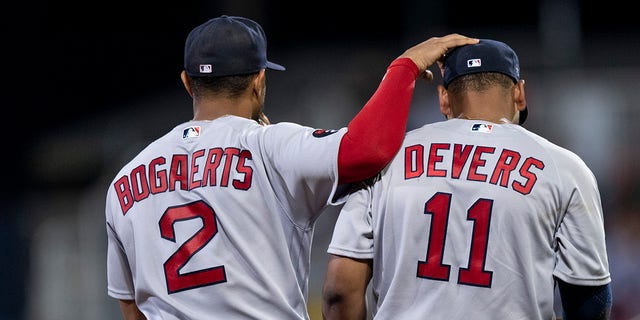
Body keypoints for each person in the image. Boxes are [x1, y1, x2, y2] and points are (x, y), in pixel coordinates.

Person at [104, 14, 478, 319]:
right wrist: (405, 66)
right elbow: (366, 149)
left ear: (188, 83)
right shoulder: (269, 146)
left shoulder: (124, 183)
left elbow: (131, 306)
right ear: (258, 81)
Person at [322, 39, 612, 320]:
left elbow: (340, 293)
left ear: (444, 98)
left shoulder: (387, 159)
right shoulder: (564, 168)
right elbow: (590, 302)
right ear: (520, 94)